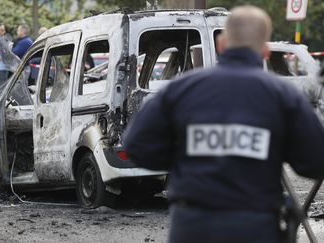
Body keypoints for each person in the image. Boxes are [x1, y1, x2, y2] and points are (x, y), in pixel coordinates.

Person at [123, 5, 324, 243]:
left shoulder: (181, 89)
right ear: (265, 51)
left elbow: (136, 145)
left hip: (192, 226)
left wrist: (184, 159)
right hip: (255, 227)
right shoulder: (283, 96)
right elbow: (314, 162)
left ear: (221, 44)